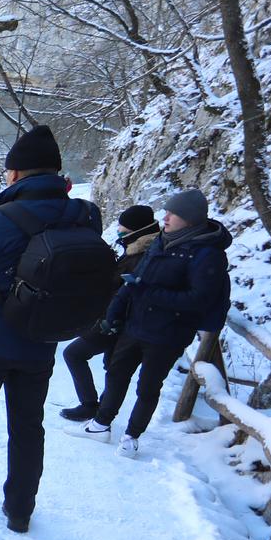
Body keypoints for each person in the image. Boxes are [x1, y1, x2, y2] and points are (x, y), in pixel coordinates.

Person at [0, 125, 102, 533]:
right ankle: (20, 510)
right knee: (27, 427)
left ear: (15, 174)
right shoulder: (85, 215)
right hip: (42, 339)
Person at [80, 188, 232, 456]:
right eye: (167, 211)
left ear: (191, 218)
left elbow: (199, 300)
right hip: (136, 324)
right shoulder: (163, 239)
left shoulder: (208, 253)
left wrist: (147, 293)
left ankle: (131, 437)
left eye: (174, 213)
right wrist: (114, 313)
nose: (166, 216)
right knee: (116, 374)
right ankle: (101, 424)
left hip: (168, 334)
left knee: (148, 387)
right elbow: (136, 280)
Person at [58, 204, 160, 421]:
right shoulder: (137, 249)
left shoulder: (144, 254)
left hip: (117, 320)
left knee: (75, 354)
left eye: (123, 228)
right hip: (116, 318)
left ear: (135, 230)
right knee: (111, 365)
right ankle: (100, 408)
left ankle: (92, 407)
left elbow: (126, 289)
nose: (119, 231)